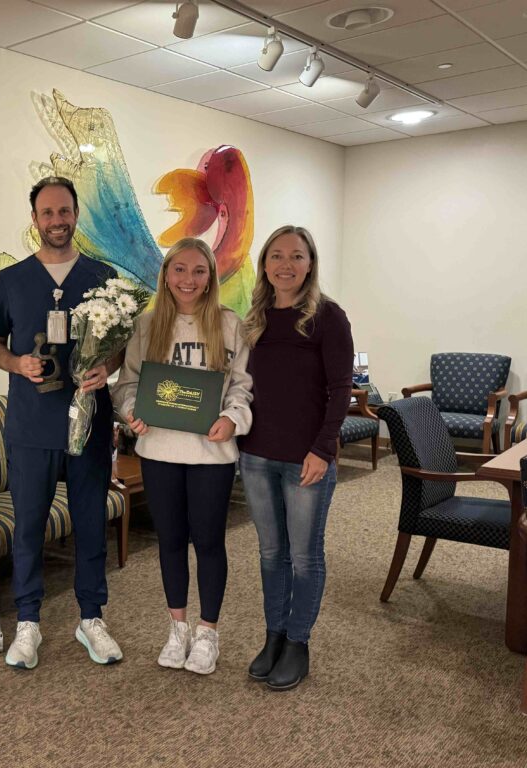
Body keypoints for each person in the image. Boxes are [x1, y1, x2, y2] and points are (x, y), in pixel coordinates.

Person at [0, 176, 124, 669]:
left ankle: (91, 617)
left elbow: (120, 345)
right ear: (34, 219)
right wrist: (16, 364)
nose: (57, 220)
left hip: (89, 423)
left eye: (64, 211)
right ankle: (28, 621)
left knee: (91, 523)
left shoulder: (102, 277)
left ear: (75, 215)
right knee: (28, 527)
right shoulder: (11, 280)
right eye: (47, 212)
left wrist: (106, 367)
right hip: (31, 427)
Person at [112, 238, 252, 675]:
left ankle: (208, 632)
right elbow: (127, 384)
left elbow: (242, 386)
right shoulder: (147, 324)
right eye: (179, 269)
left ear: (210, 277)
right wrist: (131, 412)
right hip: (159, 449)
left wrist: (231, 418)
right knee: (170, 541)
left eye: (198, 271)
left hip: (212, 453)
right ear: (166, 274)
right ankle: (177, 628)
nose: (188, 279)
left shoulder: (230, 325)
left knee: (208, 542)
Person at [238, 225, 353, 691]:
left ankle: (298, 643)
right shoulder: (255, 319)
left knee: (304, 556)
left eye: (297, 256)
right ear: (264, 264)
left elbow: (341, 389)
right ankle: (274, 636)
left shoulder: (328, 316)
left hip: (307, 459)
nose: (286, 264)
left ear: (310, 264)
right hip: (256, 455)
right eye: (277, 255)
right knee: (271, 553)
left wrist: (323, 449)